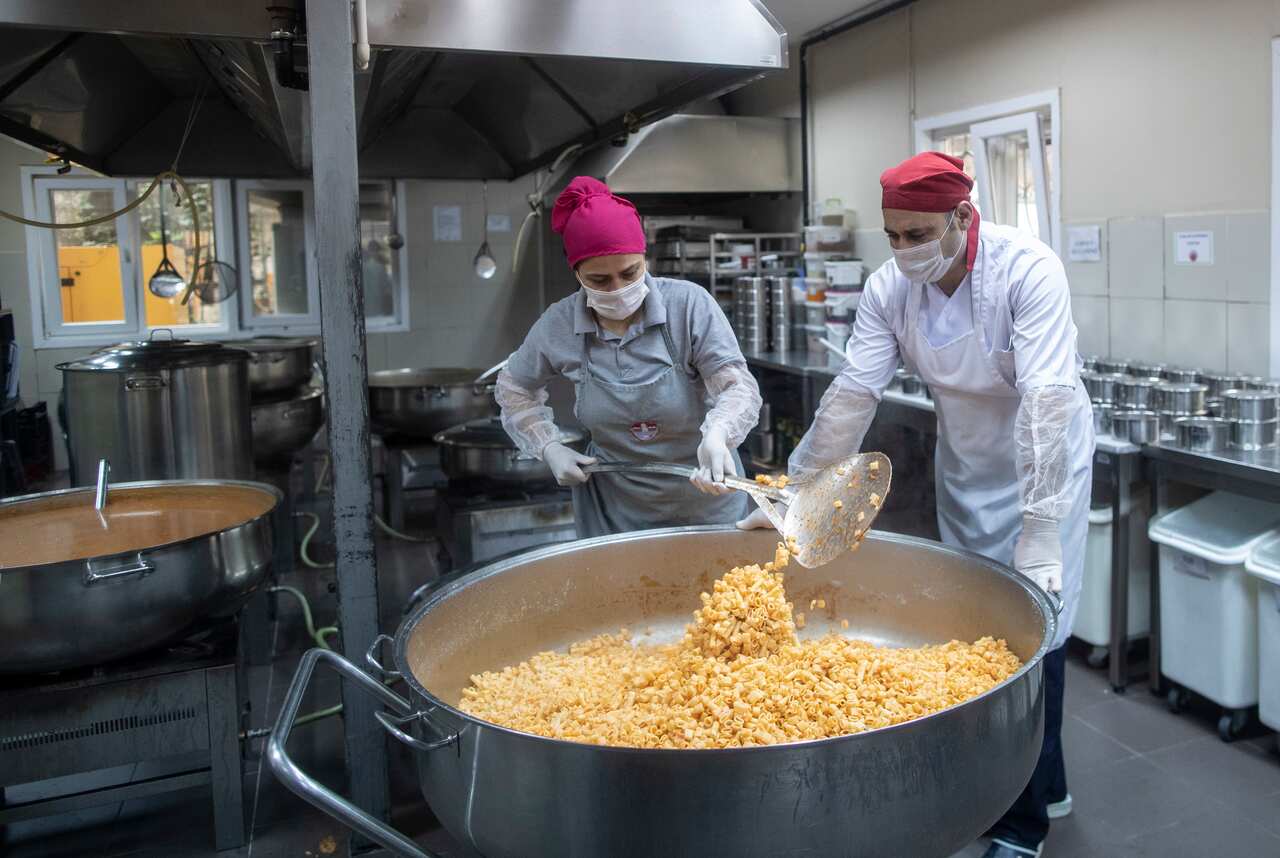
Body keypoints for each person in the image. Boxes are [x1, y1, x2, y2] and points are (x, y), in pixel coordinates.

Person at [742, 152, 1092, 858]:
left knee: (1039, 631)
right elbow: (852, 397)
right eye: (893, 235)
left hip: (1047, 472)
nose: (903, 251)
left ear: (963, 217)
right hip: (965, 463)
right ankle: (1034, 783)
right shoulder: (889, 289)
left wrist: (1043, 530)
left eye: (917, 234)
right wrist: (794, 490)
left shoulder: (1028, 272)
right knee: (976, 622)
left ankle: (1023, 828)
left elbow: (1048, 404)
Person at [495, 176, 763, 538]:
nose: (618, 290)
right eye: (600, 280)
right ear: (576, 272)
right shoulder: (558, 325)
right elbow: (514, 387)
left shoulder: (689, 305)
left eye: (629, 272)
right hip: (614, 514)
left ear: (645, 258)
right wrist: (549, 446)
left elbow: (738, 387)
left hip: (707, 502)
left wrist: (718, 434)